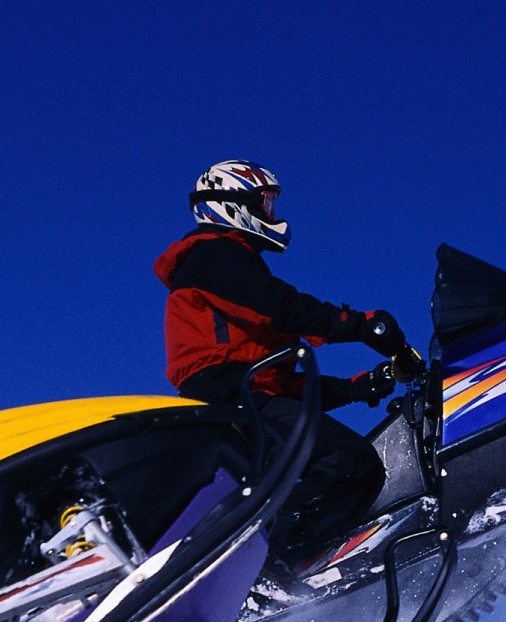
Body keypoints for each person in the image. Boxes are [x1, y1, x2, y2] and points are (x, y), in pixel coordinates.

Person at [155, 160, 425, 551]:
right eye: (264, 203)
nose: (271, 214)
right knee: (350, 464)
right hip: (229, 403)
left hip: (239, 401)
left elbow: (279, 385)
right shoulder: (213, 254)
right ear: (232, 204)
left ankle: (286, 557)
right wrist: (363, 324)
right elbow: (284, 308)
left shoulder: (227, 278)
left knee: (344, 464)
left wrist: (362, 385)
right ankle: (271, 556)